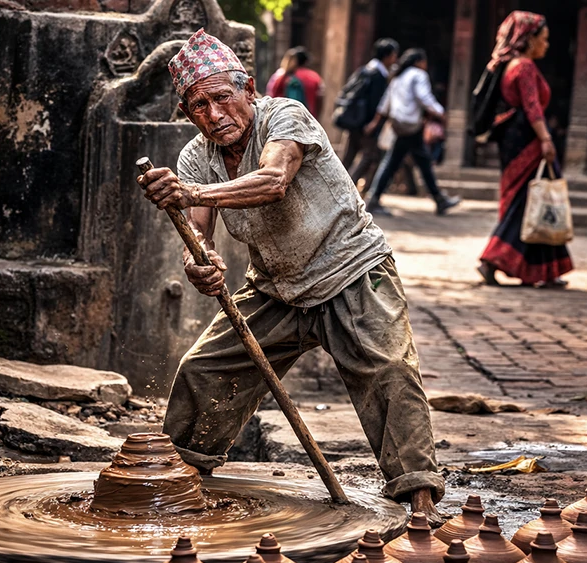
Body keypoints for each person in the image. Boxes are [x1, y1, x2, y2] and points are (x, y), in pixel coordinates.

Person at [140, 29, 446, 523]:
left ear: (249, 90)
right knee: (203, 370)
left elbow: (274, 180)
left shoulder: (285, 116)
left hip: (351, 270)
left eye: (222, 98)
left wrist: (190, 194)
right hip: (275, 287)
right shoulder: (196, 158)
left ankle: (419, 498)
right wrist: (202, 264)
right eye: (198, 106)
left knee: (389, 373)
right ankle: (176, 475)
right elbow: (199, 239)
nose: (214, 114)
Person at [477, 11, 572, 288]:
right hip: (528, 141)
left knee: (534, 202)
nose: (547, 44)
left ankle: (543, 270)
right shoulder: (525, 67)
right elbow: (532, 107)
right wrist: (546, 139)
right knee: (526, 203)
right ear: (529, 40)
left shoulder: (511, 66)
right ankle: (491, 259)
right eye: (543, 39)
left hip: (515, 140)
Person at [363, 49, 461, 217]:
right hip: (411, 125)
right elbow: (424, 97)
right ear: (419, 61)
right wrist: (440, 112)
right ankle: (438, 198)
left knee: (402, 160)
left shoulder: (398, 77)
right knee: (407, 161)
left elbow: (385, 103)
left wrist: (375, 122)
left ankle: (437, 198)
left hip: (398, 124)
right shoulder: (418, 75)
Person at [335, 38, 400, 192]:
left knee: (348, 156)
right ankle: (348, 188)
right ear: (388, 55)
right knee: (370, 156)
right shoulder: (378, 75)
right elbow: (375, 104)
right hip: (366, 123)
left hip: (353, 121)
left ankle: (336, 188)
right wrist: (373, 124)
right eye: (394, 55)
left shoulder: (364, 70)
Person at [266, 46, 323, 117]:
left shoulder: (281, 76)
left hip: (284, 118)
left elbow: (272, 96)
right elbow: (320, 98)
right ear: (306, 62)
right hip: (308, 118)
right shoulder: (315, 77)